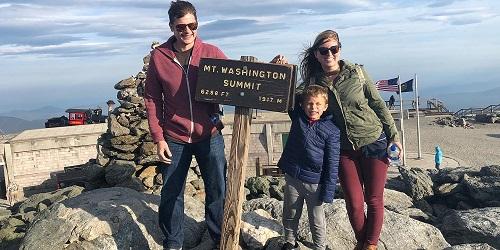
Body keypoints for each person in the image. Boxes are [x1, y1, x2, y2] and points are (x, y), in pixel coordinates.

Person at [273, 30, 402, 250]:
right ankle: (363, 242)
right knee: (353, 202)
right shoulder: (313, 82)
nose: (329, 54)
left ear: (339, 49)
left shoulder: (357, 73)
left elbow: (378, 104)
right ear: (316, 54)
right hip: (342, 149)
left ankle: (370, 245)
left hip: (374, 141)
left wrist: (394, 135)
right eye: (324, 50)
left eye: (334, 49)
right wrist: (280, 71)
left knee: (374, 199)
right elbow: (290, 102)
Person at [143, 1, 227, 249]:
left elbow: (239, 79)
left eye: (192, 25)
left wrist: (274, 68)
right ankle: (173, 242)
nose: (187, 31)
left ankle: (219, 239)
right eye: (181, 27)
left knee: (217, 190)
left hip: (209, 134)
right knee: (171, 193)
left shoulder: (211, 52)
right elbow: (151, 98)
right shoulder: (159, 57)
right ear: (171, 27)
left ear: (197, 24)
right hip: (174, 137)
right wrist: (158, 138)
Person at [278, 85, 340, 250]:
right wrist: (285, 69)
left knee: (317, 219)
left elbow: (332, 163)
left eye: (318, 104)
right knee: (290, 213)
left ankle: (320, 246)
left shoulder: (332, 131)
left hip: (315, 183)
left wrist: (328, 190)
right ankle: (290, 241)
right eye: (310, 103)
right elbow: (290, 96)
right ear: (303, 105)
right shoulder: (298, 117)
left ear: (325, 107)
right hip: (293, 177)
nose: (313, 107)